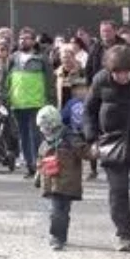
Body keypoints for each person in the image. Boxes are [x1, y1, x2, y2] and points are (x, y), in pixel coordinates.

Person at [84, 45, 130, 252]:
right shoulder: (100, 80)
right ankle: (124, 235)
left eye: (127, 72)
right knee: (118, 192)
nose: (123, 76)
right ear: (110, 70)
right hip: (111, 146)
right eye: (118, 73)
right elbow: (89, 111)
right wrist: (92, 139)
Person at [33, 105, 88, 250]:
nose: (43, 130)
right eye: (41, 127)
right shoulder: (45, 142)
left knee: (63, 211)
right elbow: (40, 159)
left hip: (67, 183)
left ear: (53, 125)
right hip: (51, 182)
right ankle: (57, 237)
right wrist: (38, 176)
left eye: (45, 127)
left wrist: (94, 149)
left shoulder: (70, 137)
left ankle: (60, 236)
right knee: (56, 211)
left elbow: (84, 152)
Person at [8, 27, 52, 178]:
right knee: (23, 136)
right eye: (21, 38)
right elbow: (5, 79)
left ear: (33, 41)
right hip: (18, 103)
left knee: (36, 136)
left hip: (37, 103)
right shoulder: (13, 58)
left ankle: (38, 165)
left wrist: (50, 101)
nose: (23, 41)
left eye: (27, 38)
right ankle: (29, 166)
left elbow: (50, 81)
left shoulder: (42, 58)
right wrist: (4, 97)